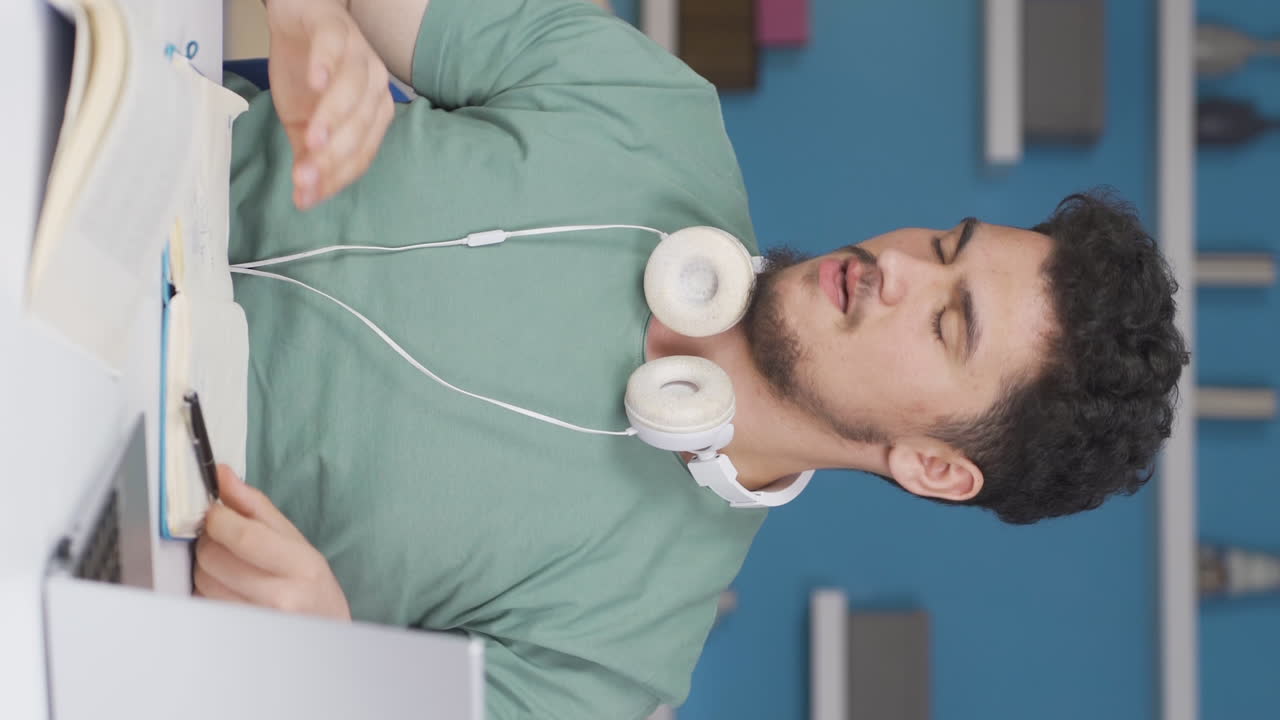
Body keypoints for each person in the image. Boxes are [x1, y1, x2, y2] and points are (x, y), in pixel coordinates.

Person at [194, 0, 1189, 718]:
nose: (893, 268)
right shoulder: (650, 106)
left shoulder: (621, 659)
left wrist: (320, 657)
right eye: (941, 248)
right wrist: (306, 15)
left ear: (932, 466)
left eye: (947, 324)